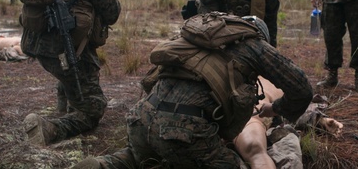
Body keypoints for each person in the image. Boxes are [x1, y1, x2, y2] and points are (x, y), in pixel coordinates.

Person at [71, 14, 313, 169]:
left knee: (140, 157)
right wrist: (275, 109)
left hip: (141, 120)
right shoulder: (255, 46)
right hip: (184, 133)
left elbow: (149, 82)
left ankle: (104, 165)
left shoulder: (196, 40)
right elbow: (301, 88)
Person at [21, 0, 124, 146]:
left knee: (68, 72)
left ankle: (65, 109)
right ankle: (49, 129)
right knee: (93, 109)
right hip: (69, 50)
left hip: (39, 46)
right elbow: (112, 13)